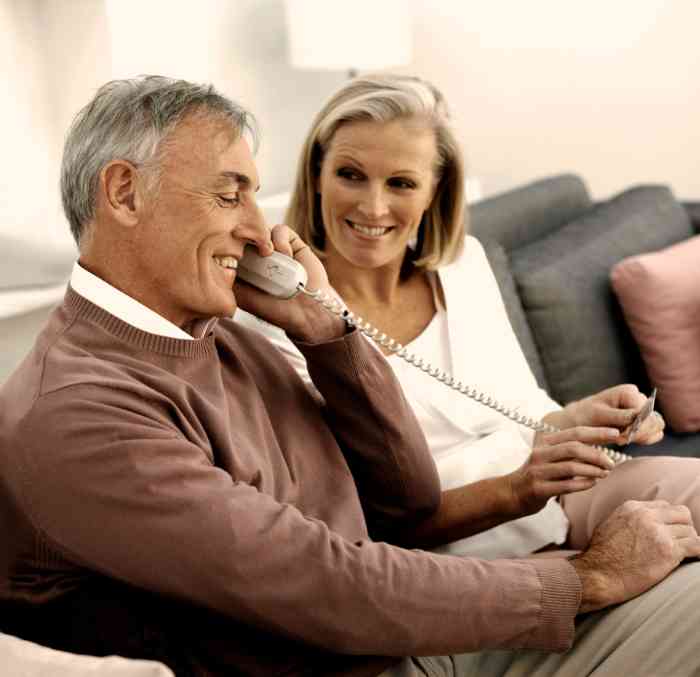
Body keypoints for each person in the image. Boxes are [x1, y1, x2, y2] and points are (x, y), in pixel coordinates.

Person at [1, 75, 700, 677]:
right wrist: (585, 578)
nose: (257, 228)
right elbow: (328, 585)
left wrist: (327, 331)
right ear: (124, 192)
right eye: (230, 194)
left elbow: (406, 501)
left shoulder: (225, 340)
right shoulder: (79, 412)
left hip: (422, 637)